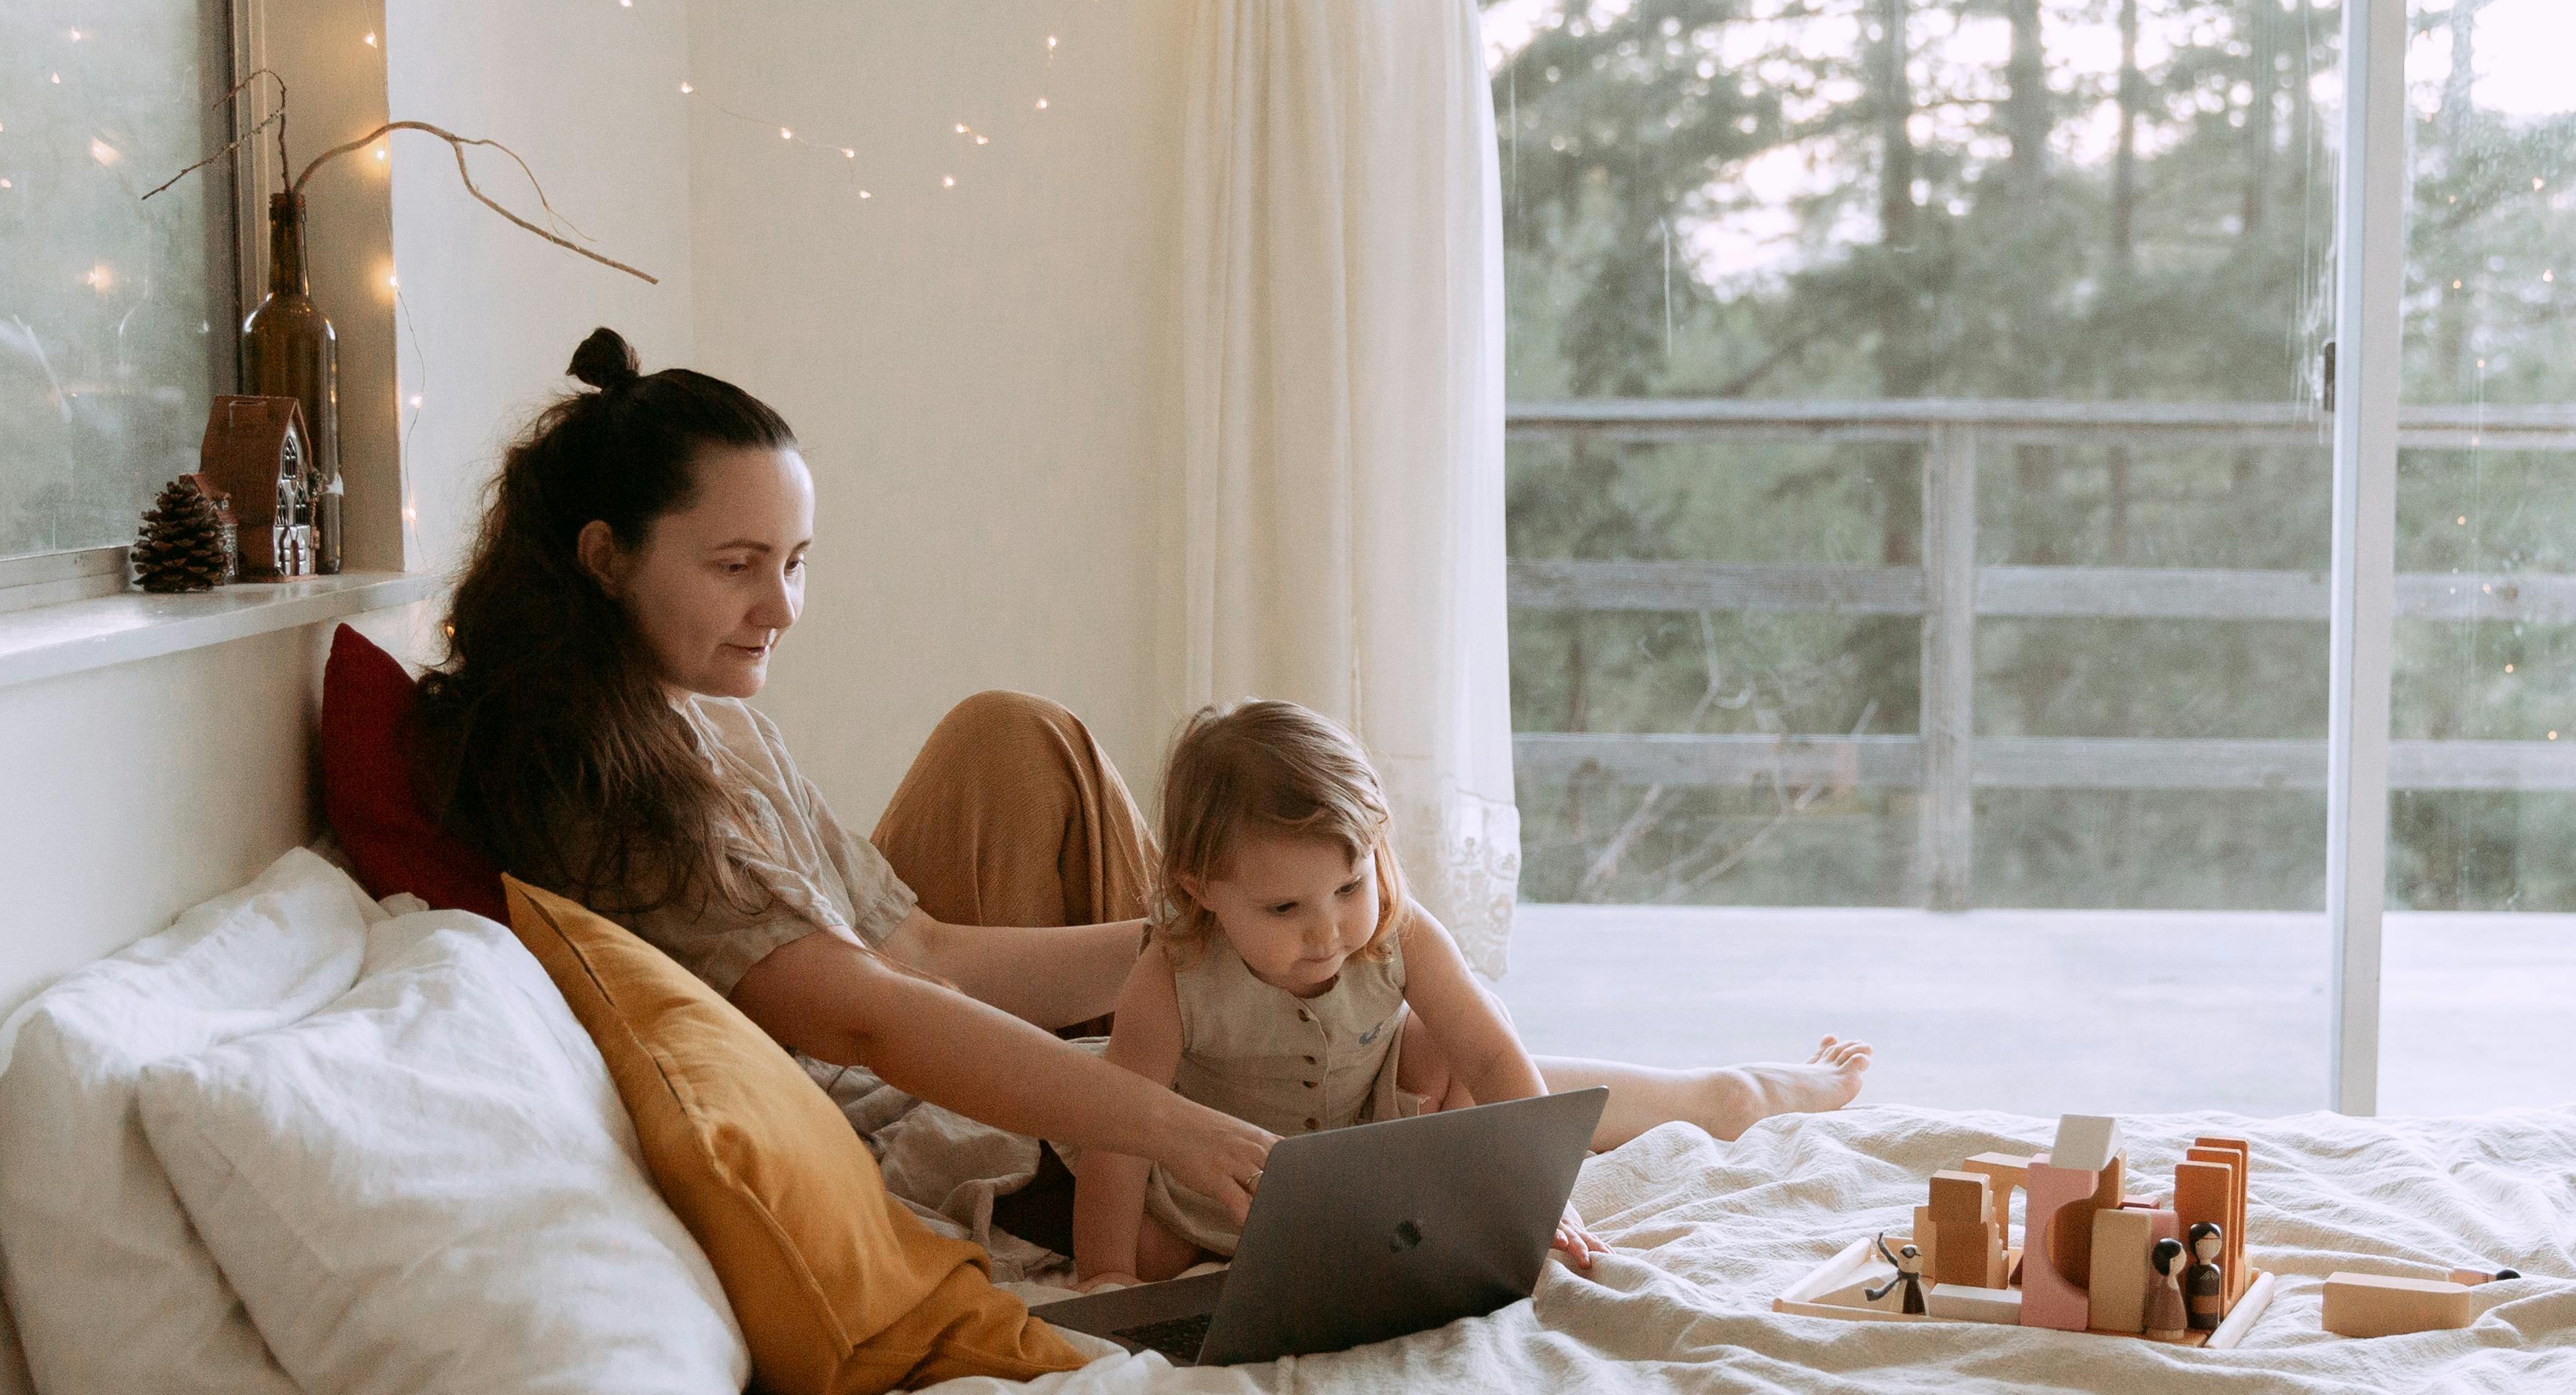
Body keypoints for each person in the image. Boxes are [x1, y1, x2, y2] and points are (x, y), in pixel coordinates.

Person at [407, 329, 1868, 1263]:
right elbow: (858, 1005)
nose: (781, 608)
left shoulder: (699, 713)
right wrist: (1163, 1112)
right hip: (944, 1130)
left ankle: (1701, 1087)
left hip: (956, 1028)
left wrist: (1226, 929)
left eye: (796, 561)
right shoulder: (597, 781)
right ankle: (1717, 1097)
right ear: (604, 558)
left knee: (1320, 969)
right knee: (1347, 1042)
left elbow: (914, 949)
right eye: (736, 567)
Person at [1076, 699, 1597, 1284]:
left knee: (1468, 1025)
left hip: (1364, 1150)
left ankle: (1445, 1195)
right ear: (1202, 890)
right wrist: (1104, 1275)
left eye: (1350, 886)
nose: (1327, 932)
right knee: (1148, 1255)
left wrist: (1545, 1192)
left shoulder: (1403, 934)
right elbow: (1116, 1137)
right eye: (1284, 907)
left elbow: (1492, 1055)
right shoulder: (1171, 976)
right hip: (1220, 1187)